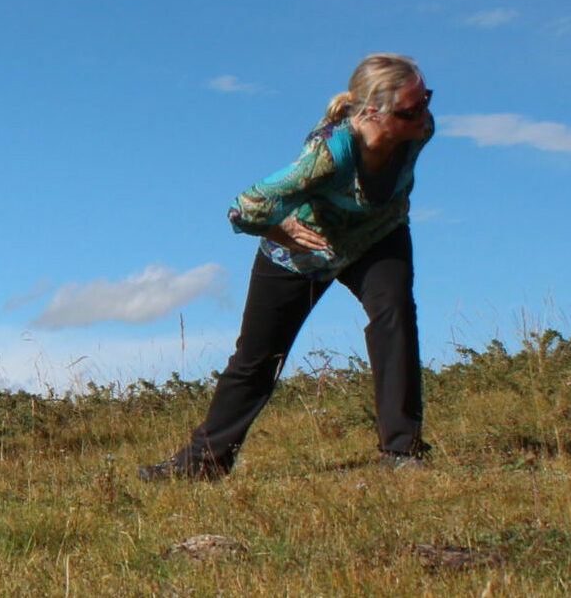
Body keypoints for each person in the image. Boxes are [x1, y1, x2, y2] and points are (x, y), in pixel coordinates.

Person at [141, 53, 436, 481]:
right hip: (301, 253)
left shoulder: (420, 130)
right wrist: (280, 230)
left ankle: (402, 451)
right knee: (258, 358)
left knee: (396, 316)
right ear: (373, 111)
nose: (424, 115)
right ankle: (200, 464)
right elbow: (243, 207)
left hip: (377, 237)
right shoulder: (329, 153)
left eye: (426, 99)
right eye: (412, 108)